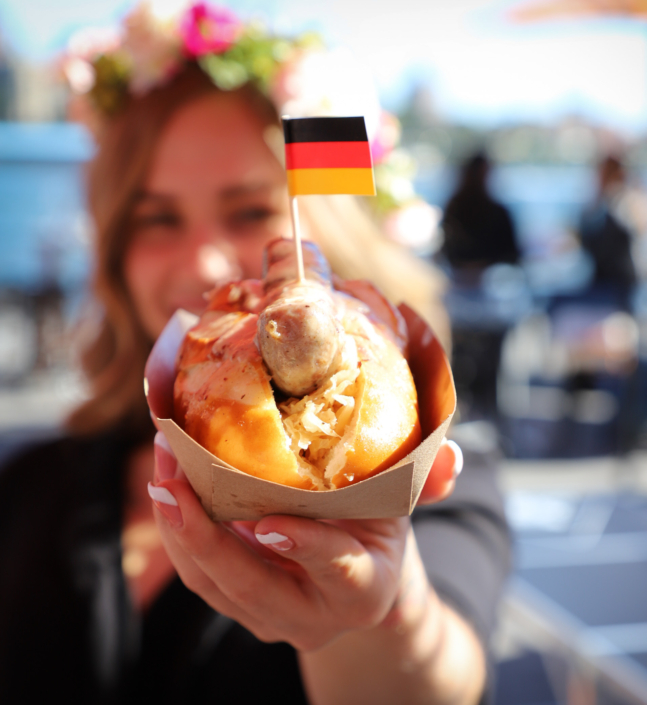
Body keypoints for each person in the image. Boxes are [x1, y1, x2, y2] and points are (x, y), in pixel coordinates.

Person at [0, 4, 511, 704]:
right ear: (117, 251)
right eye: (157, 217)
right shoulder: (31, 481)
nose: (204, 258)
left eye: (249, 210)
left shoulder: (429, 484)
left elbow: (437, 680)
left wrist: (384, 613)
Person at [441, 151, 519, 281]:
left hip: (464, 281)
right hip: (482, 282)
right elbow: (512, 255)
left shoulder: (454, 207)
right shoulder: (497, 211)